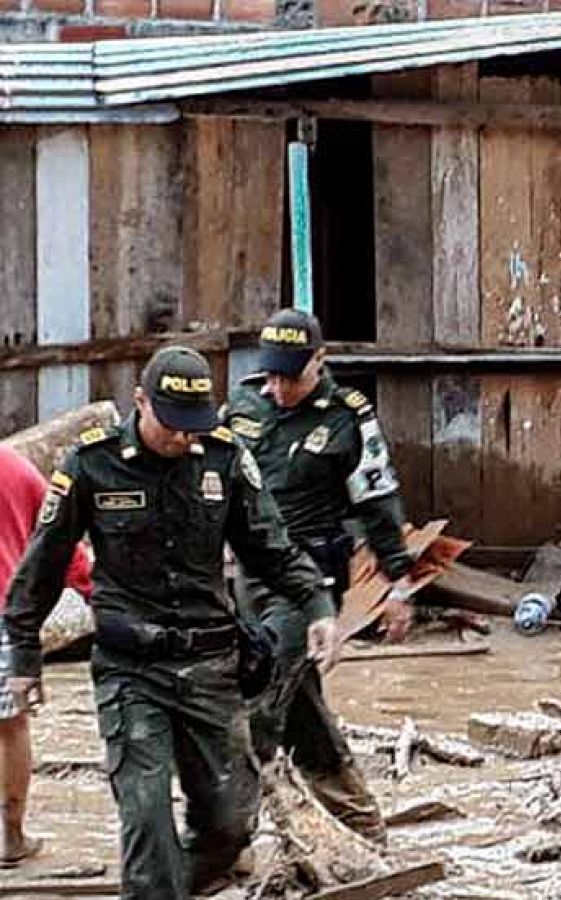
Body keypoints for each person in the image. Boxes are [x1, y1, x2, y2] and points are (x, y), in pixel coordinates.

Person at [3, 346, 338, 900]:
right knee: (146, 819)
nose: (184, 438)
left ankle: (175, 886)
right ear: (140, 402)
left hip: (210, 667)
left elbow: (272, 548)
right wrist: (24, 656)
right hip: (131, 670)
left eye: (194, 427)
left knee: (231, 823)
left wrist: (318, 606)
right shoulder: (90, 464)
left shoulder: (225, 459)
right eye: (173, 426)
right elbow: (40, 566)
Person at [223, 309, 417, 845]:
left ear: (320, 361)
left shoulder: (347, 417)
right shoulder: (242, 403)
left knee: (261, 703)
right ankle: (358, 820)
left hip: (308, 583)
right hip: (247, 577)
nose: (279, 387)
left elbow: (378, 501)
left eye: (292, 375)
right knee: (299, 701)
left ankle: (228, 839)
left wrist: (397, 584)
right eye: (272, 375)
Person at [0, 444, 94, 867]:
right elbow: (62, 537)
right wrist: (96, 591)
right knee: (9, 727)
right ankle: (11, 835)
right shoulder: (17, 468)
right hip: (8, 613)